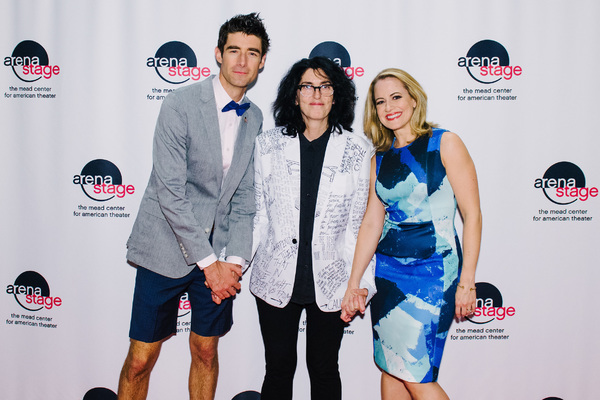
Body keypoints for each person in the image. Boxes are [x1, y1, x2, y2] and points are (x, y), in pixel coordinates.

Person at [117, 13, 269, 400]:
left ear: (262, 62)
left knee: (206, 350)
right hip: (164, 248)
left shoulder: (254, 117)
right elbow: (170, 192)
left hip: (220, 255)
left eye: (252, 53)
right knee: (141, 358)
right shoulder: (180, 103)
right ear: (218, 54)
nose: (241, 61)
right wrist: (210, 266)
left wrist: (233, 261)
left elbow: (245, 197)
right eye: (234, 50)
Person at [341, 68, 482, 400]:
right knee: (391, 367)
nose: (389, 106)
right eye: (380, 102)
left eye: (396, 97)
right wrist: (354, 281)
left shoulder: (444, 143)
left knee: (417, 375)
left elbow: (472, 216)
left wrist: (468, 281)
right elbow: (372, 225)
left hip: (434, 272)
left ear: (414, 99)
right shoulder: (380, 159)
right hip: (389, 274)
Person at [249, 57, 376, 400]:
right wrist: (233, 265)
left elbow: (362, 225)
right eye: (307, 86)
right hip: (275, 276)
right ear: (295, 95)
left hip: (333, 280)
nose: (316, 94)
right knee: (277, 368)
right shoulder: (267, 145)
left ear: (337, 96)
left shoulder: (359, 151)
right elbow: (258, 216)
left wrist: (361, 284)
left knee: (323, 369)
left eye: (325, 86)